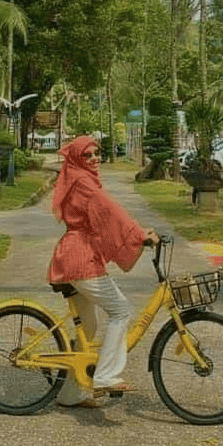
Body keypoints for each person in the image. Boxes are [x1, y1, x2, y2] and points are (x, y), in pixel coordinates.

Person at [47, 135, 160, 408]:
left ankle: (71, 394)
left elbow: (104, 214)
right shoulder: (83, 182)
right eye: (88, 155)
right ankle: (106, 376)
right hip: (80, 259)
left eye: (97, 154)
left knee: (89, 327)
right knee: (121, 310)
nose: (95, 159)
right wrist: (138, 233)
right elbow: (110, 211)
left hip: (74, 254)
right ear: (76, 158)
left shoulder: (77, 177)